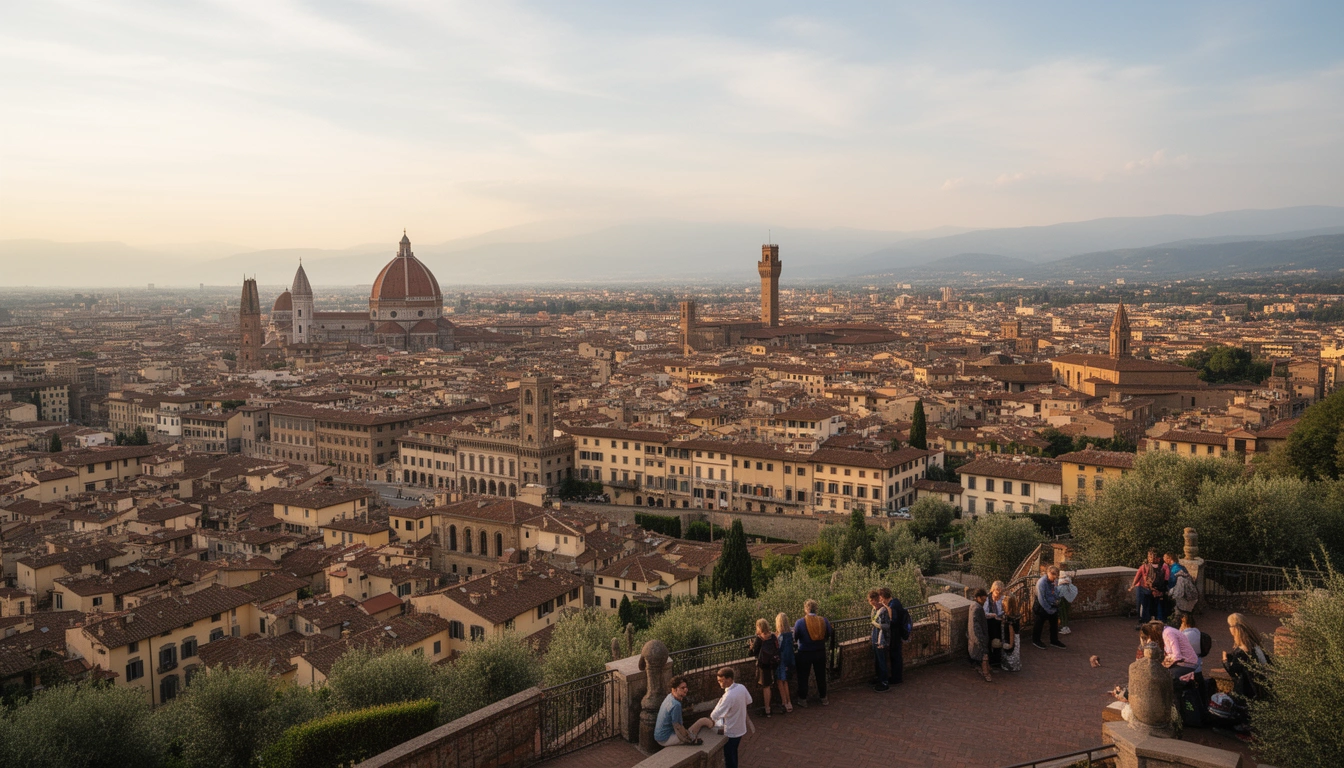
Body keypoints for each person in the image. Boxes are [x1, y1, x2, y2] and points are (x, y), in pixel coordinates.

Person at [654, 676, 716, 747]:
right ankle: (713, 725)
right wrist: (692, 739)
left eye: (686, 687)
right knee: (702, 721)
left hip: (659, 736)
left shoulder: (669, 697)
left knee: (702, 721)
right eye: (682, 688)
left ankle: (712, 724)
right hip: (665, 739)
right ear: (674, 689)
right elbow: (678, 727)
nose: (686, 689)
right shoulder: (676, 705)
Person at [792, 599, 832, 706]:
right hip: (820, 651)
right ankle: (824, 698)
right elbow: (829, 633)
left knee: (803, 676)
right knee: (821, 675)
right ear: (816, 609)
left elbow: (795, 637)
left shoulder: (800, 622)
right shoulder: (824, 620)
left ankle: (803, 699)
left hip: (805, 653)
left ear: (806, 609)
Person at [710, 667, 752, 768]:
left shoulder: (728, 696)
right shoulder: (741, 687)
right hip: (741, 727)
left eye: (721, 680)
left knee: (729, 757)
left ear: (729, 679)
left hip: (731, 731)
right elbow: (749, 700)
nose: (719, 683)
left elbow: (714, 715)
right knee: (734, 753)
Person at [1222, 613, 1269, 700]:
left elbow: (1233, 671)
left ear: (1235, 628)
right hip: (1254, 688)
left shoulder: (1243, 649)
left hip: (1246, 690)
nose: (1229, 629)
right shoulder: (1253, 645)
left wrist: (1225, 660)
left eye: (1230, 626)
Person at [1141, 620, 1198, 686]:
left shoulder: (1168, 633)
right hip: (1182, 663)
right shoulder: (1167, 632)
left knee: (1164, 678)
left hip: (1187, 663)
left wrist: (1164, 665)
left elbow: (1177, 656)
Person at [747, 618, 780, 716]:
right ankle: (772, 705)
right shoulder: (773, 636)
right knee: (770, 685)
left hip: (763, 665)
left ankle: (767, 709)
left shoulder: (759, 639)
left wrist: (751, 647)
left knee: (766, 686)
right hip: (773, 663)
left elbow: (752, 653)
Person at [1033, 566, 1066, 650]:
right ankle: (1036, 640)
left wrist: (1057, 599)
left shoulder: (1053, 581)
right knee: (1039, 624)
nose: (1055, 578)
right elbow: (1041, 598)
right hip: (1042, 606)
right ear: (1049, 573)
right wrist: (1048, 609)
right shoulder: (1042, 583)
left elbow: (1054, 592)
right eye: (1054, 576)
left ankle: (1054, 640)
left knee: (1054, 624)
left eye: (1056, 577)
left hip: (1051, 605)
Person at [1130, 551, 1166, 626]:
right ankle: (1156, 620)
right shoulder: (1162, 567)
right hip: (1156, 590)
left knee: (1143, 605)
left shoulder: (1144, 567)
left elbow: (1137, 577)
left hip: (1145, 589)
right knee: (1154, 605)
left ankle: (1144, 621)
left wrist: (1132, 586)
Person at [879, 587, 905, 685]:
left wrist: (887, 609)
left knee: (895, 655)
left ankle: (896, 678)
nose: (880, 600)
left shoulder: (892, 605)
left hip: (895, 634)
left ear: (884, 596)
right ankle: (896, 676)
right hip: (897, 633)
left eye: (881, 597)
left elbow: (893, 621)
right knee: (896, 655)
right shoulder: (895, 601)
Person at [867, 589, 891, 691]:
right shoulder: (874, 610)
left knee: (881, 661)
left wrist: (878, 625)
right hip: (875, 638)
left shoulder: (883, 611)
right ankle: (879, 678)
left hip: (881, 639)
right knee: (877, 660)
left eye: (871, 601)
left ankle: (884, 682)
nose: (870, 603)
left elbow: (887, 625)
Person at [968, 588, 992, 682]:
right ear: (978, 598)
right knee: (984, 655)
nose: (984, 600)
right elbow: (976, 627)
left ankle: (985, 669)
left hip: (975, 638)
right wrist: (980, 640)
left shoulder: (973, 606)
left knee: (982, 655)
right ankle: (986, 673)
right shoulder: (977, 608)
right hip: (979, 638)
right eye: (983, 599)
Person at [773, 612, 794, 713]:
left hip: (781, 661)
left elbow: (778, 648)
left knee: (780, 681)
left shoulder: (780, 636)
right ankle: (789, 702)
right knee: (786, 681)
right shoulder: (790, 633)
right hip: (789, 660)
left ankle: (784, 702)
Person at [984, 581, 1006, 666]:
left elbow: (1004, 610)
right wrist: (993, 615)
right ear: (993, 590)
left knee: (998, 640)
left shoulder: (1003, 598)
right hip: (990, 621)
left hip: (1000, 621)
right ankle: (990, 657)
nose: (998, 595)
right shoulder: (987, 599)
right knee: (990, 639)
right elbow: (984, 612)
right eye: (997, 592)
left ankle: (997, 658)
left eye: (1000, 592)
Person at [1000, 594, 1022, 672]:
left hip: (1009, 638)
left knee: (1010, 652)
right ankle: (1016, 664)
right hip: (1016, 636)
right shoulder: (1017, 615)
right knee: (1016, 651)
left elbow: (1011, 631)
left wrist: (1010, 644)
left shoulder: (1008, 618)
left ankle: (1010, 666)